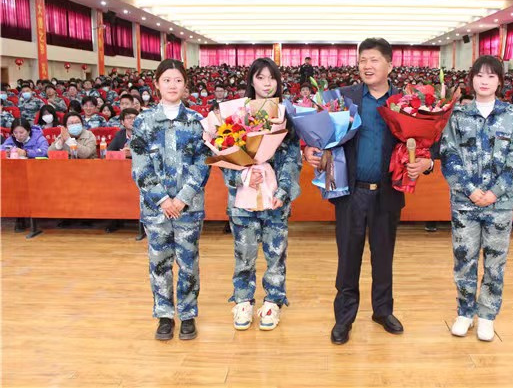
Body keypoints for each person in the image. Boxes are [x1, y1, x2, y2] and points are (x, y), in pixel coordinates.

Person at [304, 38, 433, 345]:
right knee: (348, 257)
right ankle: (344, 318)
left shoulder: (406, 103)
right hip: (350, 192)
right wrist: (308, 149)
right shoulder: (343, 98)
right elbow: (317, 133)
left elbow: (428, 143)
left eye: (374, 60)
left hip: (387, 192)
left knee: (383, 256)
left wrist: (426, 163)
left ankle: (383, 311)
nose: (367, 65)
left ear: (390, 65)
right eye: (362, 60)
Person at [440, 55, 513, 342]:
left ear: (500, 81)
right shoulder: (458, 116)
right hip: (465, 203)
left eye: (491, 76)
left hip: (499, 204)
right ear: (472, 80)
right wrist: (470, 190)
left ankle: (487, 316)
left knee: (494, 262)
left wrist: (494, 193)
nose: (485, 81)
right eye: (479, 76)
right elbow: (449, 156)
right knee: (464, 259)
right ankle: (465, 313)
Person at [130, 59, 211, 341]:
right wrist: (163, 199)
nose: (172, 85)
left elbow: (204, 163)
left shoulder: (197, 121)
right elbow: (140, 167)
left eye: (178, 80)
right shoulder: (143, 121)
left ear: (185, 84)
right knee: (159, 262)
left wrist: (183, 198)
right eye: (167, 80)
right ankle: (164, 315)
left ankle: (187, 315)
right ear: (156, 84)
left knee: (188, 262)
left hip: (189, 208)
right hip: (156, 210)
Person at [221, 58, 302, 332]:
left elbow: (292, 159)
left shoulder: (286, 117)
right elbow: (224, 156)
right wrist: (243, 176)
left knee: (276, 254)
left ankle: (273, 301)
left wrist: (284, 189)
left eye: (272, 78)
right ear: (251, 81)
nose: (267, 83)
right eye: (260, 77)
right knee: (243, 253)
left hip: (274, 200)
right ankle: (243, 300)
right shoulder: (236, 116)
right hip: (243, 201)